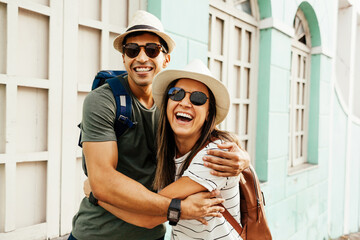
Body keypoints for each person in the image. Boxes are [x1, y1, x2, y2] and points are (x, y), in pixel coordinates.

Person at [70, 10, 249, 240]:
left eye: (152, 50)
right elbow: (102, 180)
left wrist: (243, 159)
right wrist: (179, 209)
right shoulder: (103, 101)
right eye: (132, 50)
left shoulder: (172, 109)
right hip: (97, 234)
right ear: (124, 57)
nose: (142, 58)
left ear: (166, 58)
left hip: (152, 234)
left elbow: (207, 140)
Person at [84, 59, 243, 239]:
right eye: (176, 94)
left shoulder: (214, 157)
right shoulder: (168, 149)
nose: (184, 102)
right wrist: (180, 209)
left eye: (198, 98)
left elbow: (147, 217)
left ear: (209, 114)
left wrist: (95, 196)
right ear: (166, 104)